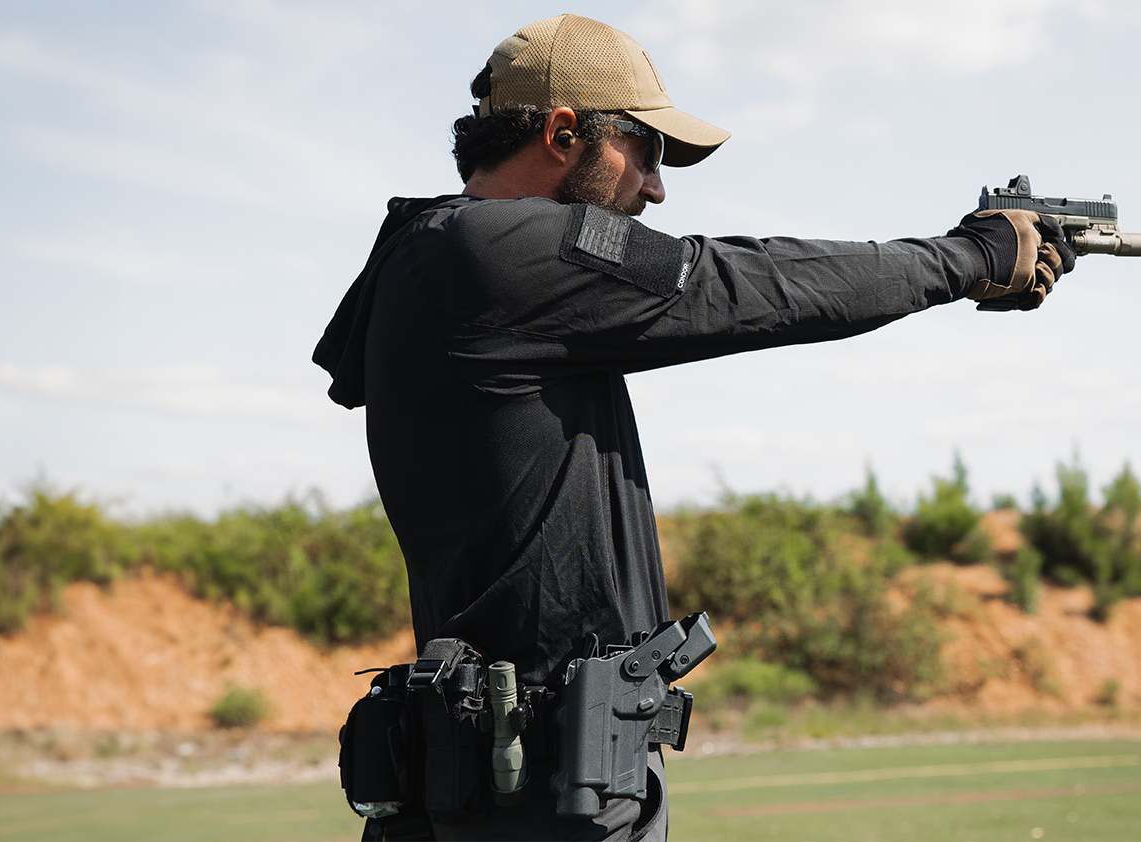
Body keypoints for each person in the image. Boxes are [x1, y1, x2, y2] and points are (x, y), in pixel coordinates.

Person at [314, 14, 1073, 841]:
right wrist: (967, 257)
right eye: (644, 150)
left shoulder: (442, 259)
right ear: (565, 133)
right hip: (541, 799)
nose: (656, 187)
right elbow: (739, 281)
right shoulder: (489, 252)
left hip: (501, 780)